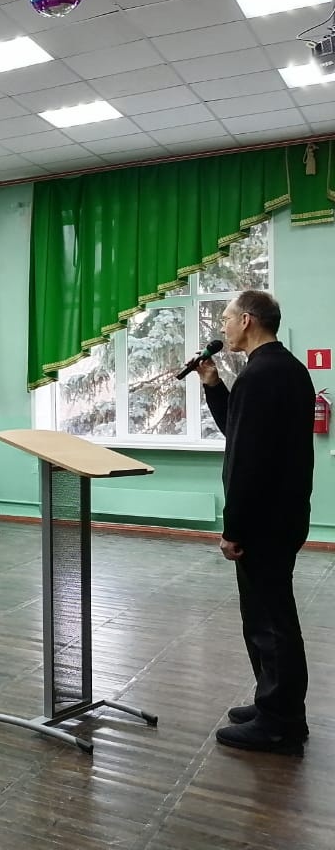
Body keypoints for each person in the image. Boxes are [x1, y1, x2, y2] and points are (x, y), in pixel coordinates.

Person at [198, 290, 313, 755]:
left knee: (269, 622)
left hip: (263, 522)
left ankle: (279, 723)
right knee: (269, 617)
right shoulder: (286, 369)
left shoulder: (259, 376)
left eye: (226, 318)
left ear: (247, 320)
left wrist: (233, 529)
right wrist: (213, 386)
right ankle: (275, 705)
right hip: (283, 516)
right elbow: (241, 433)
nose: (223, 326)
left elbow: (246, 462)